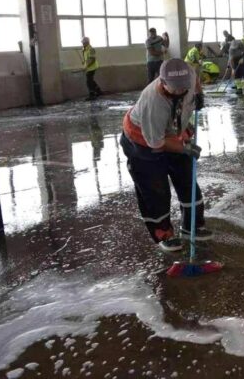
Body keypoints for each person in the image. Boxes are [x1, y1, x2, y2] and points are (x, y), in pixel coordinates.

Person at [120, 58, 208, 252]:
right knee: (156, 189)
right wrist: (184, 148)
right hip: (143, 142)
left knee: (187, 179)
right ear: (162, 81)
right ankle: (164, 234)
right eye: (175, 88)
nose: (180, 91)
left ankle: (192, 226)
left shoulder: (189, 76)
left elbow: (195, 79)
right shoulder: (153, 102)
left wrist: (199, 95)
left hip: (172, 130)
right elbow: (156, 142)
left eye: (184, 87)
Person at [81, 36, 102, 100]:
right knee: (91, 80)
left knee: (89, 81)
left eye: (83, 42)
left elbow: (93, 59)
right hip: (88, 67)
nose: (82, 43)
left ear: (87, 42)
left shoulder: (91, 49)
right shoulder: (84, 49)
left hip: (92, 67)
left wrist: (87, 66)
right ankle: (98, 91)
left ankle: (92, 95)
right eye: (82, 42)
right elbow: (86, 58)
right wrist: (84, 62)